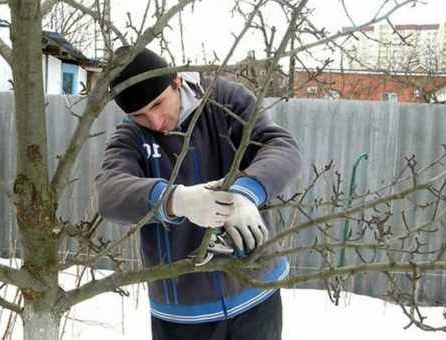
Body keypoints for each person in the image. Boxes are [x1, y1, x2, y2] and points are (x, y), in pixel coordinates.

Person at [95, 46, 302, 340]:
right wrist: (175, 200)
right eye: (139, 115)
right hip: (181, 314)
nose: (154, 122)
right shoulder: (131, 137)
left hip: (255, 293)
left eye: (157, 105)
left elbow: (280, 146)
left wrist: (247, 193)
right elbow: (109, 192)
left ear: (176, 81)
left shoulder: (223, 101)